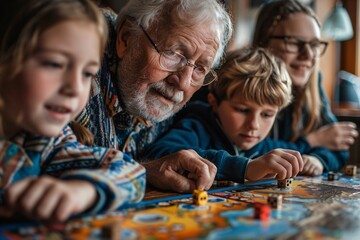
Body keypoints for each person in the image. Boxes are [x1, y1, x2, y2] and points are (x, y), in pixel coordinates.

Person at [0, 0, 145, 222]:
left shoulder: (48, 142)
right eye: (55, 64)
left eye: (88, 74)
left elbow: (132, 173)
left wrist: (81, 191)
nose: (75, 88)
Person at [75, 0, 233, 192]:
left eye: (200, 68)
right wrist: (144, 172)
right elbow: (47, 167)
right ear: (126, 38)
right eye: (173, 53)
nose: (183, 83)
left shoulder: (179, 107)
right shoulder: (76, 64)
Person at [144, 47, 307, 183]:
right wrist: (245, 168)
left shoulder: (264, 147)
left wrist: (318, 160)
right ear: (214, 103)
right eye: (243, 110)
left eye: (267, 114)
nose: (254, 125)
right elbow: (159, 153)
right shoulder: (196, 127)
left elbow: (304, 151)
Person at [252, 0, 358, 175]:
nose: (308, 55)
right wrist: (312, 141)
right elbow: (248, 148)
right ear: (263, 42)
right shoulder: (239, 83)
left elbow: (339, 144)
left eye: (315, 45)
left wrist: (319, 159)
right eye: (294, 42)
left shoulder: (313, 83)